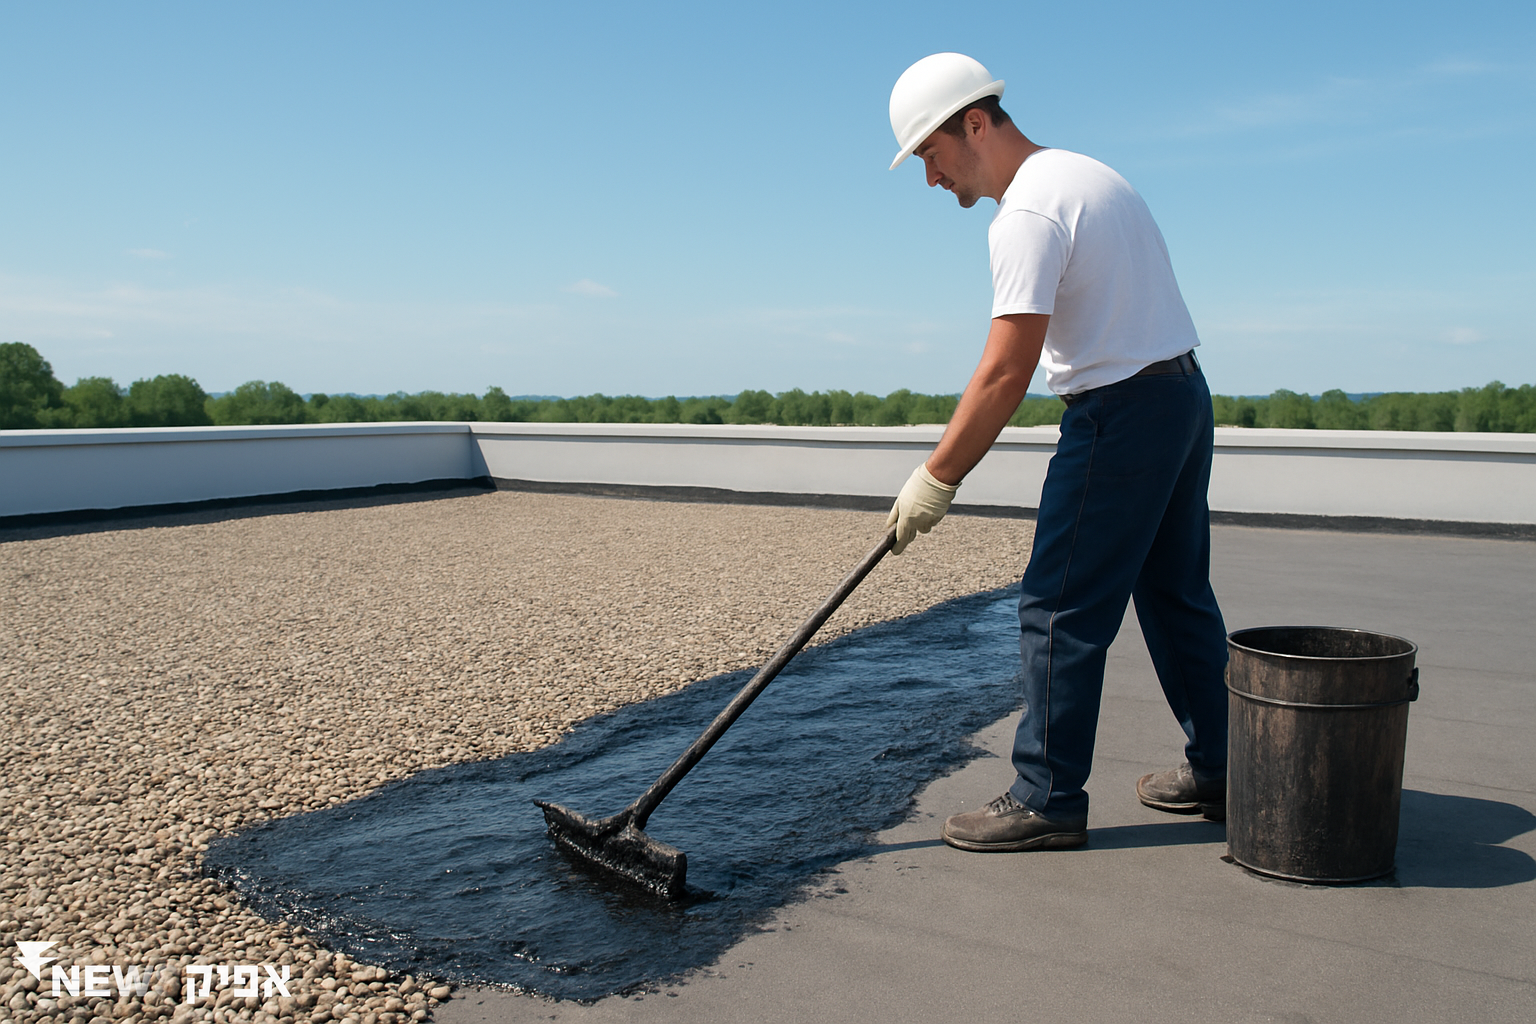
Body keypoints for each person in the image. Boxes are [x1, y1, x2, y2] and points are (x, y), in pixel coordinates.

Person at [883, 53, 1230, 852]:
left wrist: (935, 478)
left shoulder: (1028, 215)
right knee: (1175, 591)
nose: (931, 178)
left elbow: (1005, 370)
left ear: (976, 122)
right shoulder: (1087, 174)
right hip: (1181, 397)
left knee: (1058, 606)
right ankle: (1220, 768)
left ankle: (1046, 798)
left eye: (930, 154)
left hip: (1119, 413)